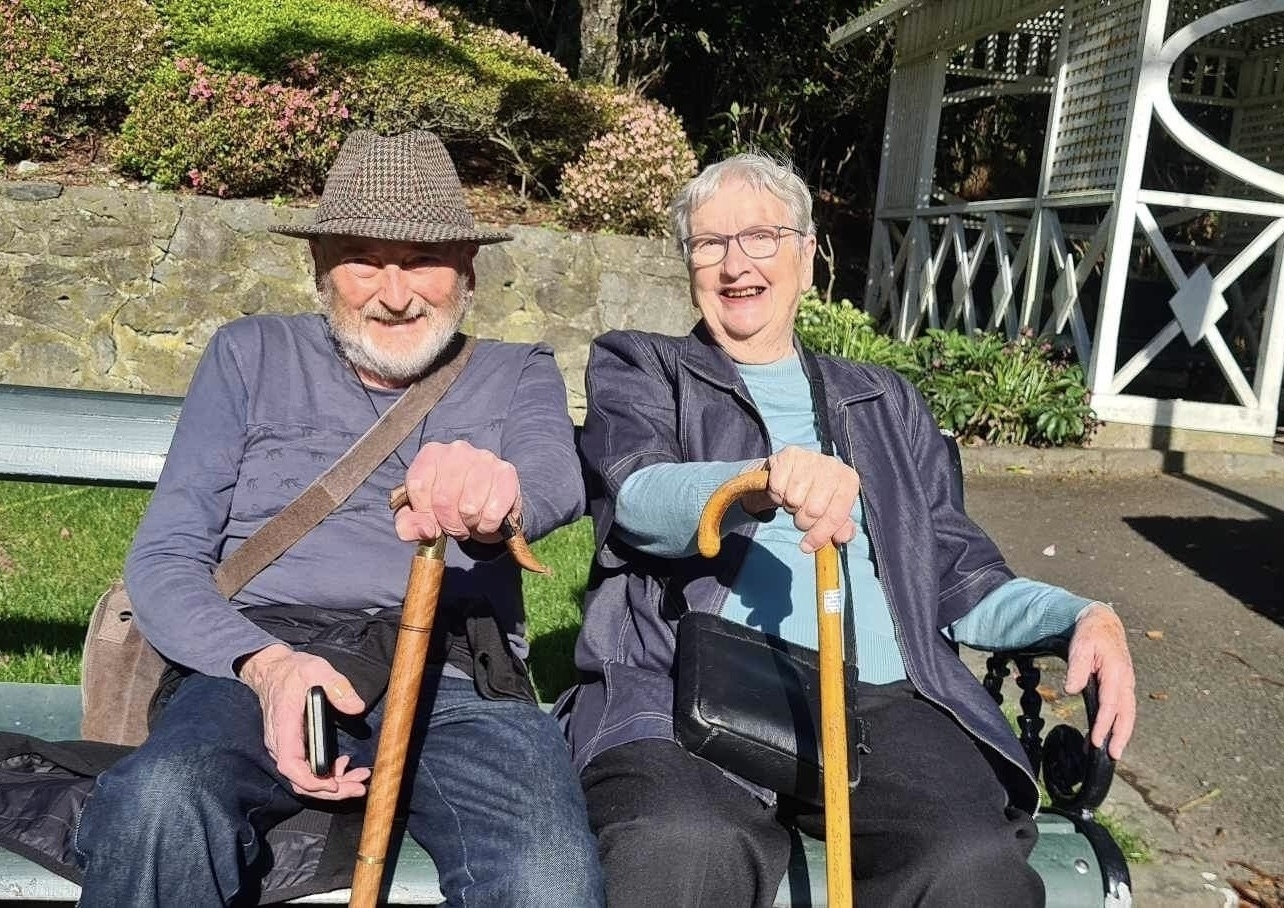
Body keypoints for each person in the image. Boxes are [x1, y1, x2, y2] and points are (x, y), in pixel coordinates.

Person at [557, 152, 1136, 907]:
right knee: (684, 844)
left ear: (805, 255)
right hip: (681, 688)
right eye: (709, 243)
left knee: (967, 865)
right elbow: (635, 495)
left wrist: (1079, 615)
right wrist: (755, 482)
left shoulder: (885, 401)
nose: (736, 263)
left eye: (762, 237)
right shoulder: (643, 367)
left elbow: (958, 574)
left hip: (877, 699)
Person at [72, 130, 604, 907]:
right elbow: (165, 559)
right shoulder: (249, 354)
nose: (394, 293)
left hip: (457, 673)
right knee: (159, 804)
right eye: (363, 260)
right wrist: (268, 667)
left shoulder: (515, 372)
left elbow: (552, 480)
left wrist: (496, 496)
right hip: (262, 657)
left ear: (468, 271)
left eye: (421, 260)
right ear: (320, 268)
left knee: (546, 876)